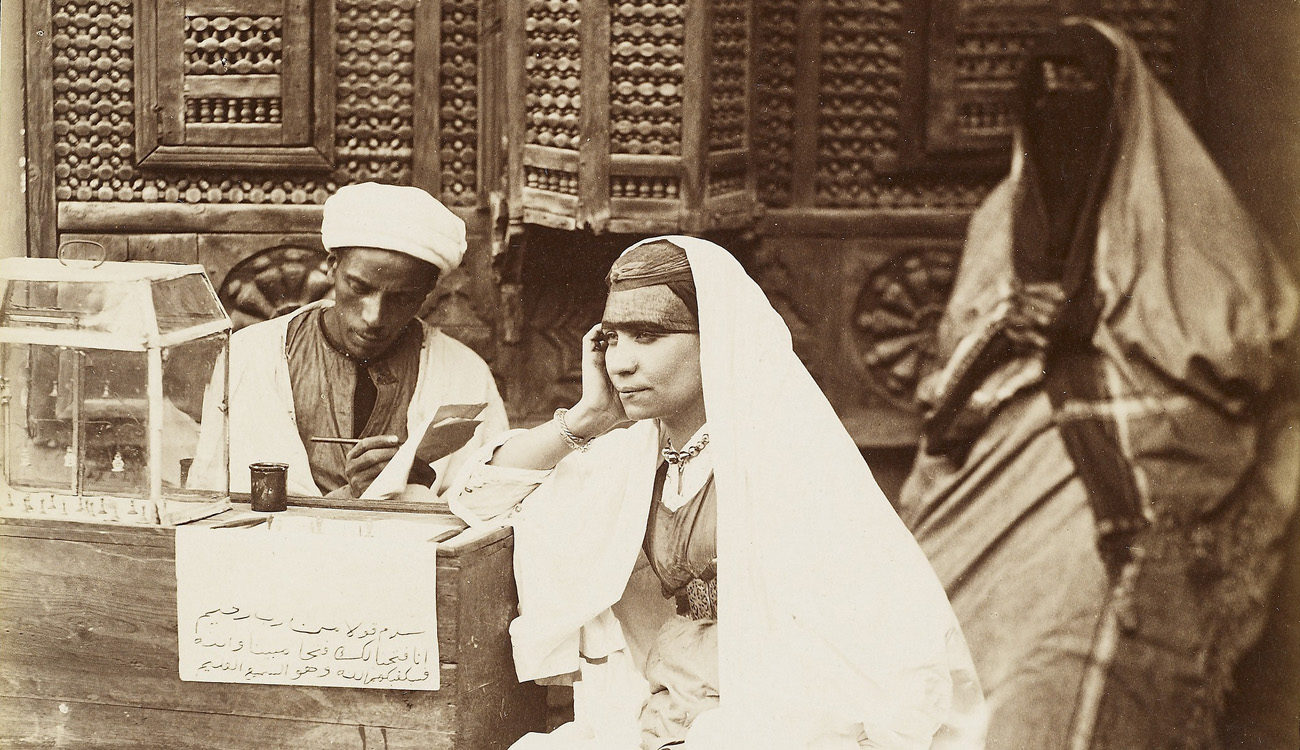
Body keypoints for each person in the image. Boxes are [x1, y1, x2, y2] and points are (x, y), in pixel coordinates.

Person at [897, 19, 1299, 749]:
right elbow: (944, 379)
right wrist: (1006, 327)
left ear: (1121, 108)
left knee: (1072, 608)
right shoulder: (1001, 219)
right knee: (929, 616)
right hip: (1001, 449)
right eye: (1046, 96)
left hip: (1128, 459)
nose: (1064, 112)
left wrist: (1090, 326)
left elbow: (1239, 360)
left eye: (1082, 95)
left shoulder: (1184, 217)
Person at [449, 236, 986, 749]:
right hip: (662, 705)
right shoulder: (633, 458)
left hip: (771, 713)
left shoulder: (784, 459)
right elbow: (480, 499)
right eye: (612, 338)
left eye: (649, 335)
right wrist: (588, 419)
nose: (621, 362)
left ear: (719, 339)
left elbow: (863, 641)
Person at [190, 182, 508, 500]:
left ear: (427, 293)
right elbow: (214, 499)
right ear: (332, 267)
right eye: (359, 287)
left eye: (401, 298)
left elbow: (486, 504)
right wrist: (346, 496)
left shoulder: (463, 374)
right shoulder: (250, 357)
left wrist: (415, 483)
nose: (373, 317)